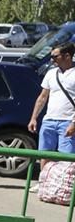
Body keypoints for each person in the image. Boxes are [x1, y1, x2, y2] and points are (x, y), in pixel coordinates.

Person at [28, 43, 75, 173]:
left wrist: (73, 123)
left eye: (55, 56)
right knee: (45, 154)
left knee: (66, 157)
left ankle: (64, 185)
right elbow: (42, 97)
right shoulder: (51, 73)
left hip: (68, 121)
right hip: (49, 120)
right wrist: (33, 118)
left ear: (67, 56)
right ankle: (44, 182)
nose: (51, 59)